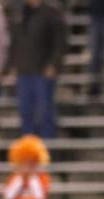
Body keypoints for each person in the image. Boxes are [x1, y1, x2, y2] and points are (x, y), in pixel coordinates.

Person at [8, 0, 67, 138]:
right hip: (24, 71)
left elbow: (60, 42)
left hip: (43, 71)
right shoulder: (21, 13)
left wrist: (54, 64)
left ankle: (46, 148)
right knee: (25, 111)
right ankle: (28, 148)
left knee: (44, 112)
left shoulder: (51, 13)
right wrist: (13, 63)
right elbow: (15, 40)